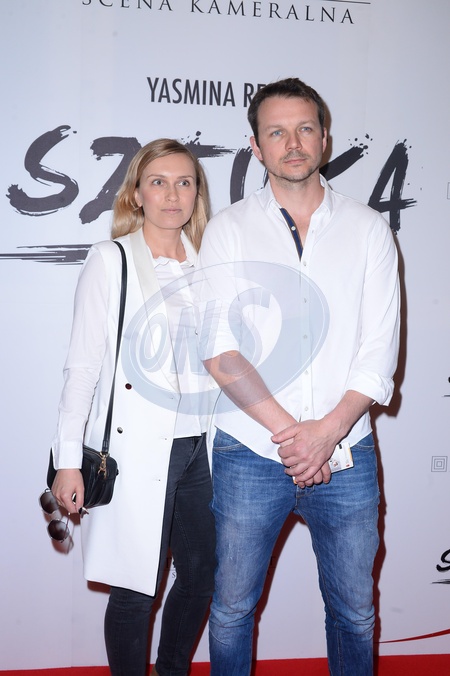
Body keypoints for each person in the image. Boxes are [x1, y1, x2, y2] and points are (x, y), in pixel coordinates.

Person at [197, 78, 400, 675]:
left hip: (348, 452)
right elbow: (219, 350)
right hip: (249, 451)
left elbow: (379, 350)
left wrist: (328, 432)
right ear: (255, 146)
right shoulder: (228, 230)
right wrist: (297, 437)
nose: (293, 143)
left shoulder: (368, 229)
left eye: (304, 128)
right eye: (277, 132)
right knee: (231, 611)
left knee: (355, 614)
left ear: (324, 137)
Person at [49, 138, 216, 676]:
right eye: (158, 182)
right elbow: (82, 367)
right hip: (139, 446)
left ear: (196, 194)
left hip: (203, 446)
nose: (172, 194)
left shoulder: (210, 264)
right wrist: (67, 460)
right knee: (136, 587)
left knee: (201, 576)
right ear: (137, 194)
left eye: (184, 182)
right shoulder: (111, 259)